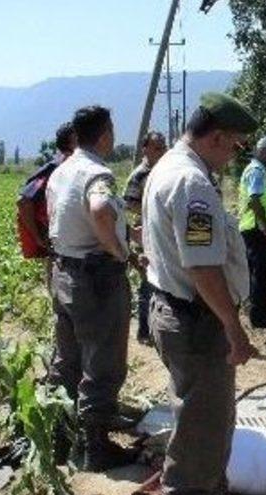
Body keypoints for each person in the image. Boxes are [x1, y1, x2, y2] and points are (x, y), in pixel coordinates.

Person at [142, 93, 257, 495]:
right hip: (197, 321)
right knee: (203, 430)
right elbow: (203, 267)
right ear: (217, 137)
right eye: (235, 146)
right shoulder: (192, 184)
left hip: (174, 308)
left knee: (198, 419)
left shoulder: (167, 165)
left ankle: (206, 487)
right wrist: (233, 327)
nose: (233, 156)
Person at [45, 105, 136, 471]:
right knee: (103, 360)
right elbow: (99, 210)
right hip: (96, 277)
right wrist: (119, 251)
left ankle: (60, 436)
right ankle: (96, 447)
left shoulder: (61, 171)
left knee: (67, 358)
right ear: (105, 135)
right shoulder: (98, 173)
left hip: (64, 271)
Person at [123, 131, 168, 343]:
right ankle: (143, 330)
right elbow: (128, 202)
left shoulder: (166, 170)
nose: (162, 151)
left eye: (163, 147)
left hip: (162, 233)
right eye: (157, 147)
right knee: (147, 281)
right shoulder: (139, 174)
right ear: (145, 149)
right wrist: (151, 209)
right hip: (145, 234)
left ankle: (156, 326)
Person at [237, 135, 266, 328]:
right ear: (263, 152)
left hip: (257, 229)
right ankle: (260, 318)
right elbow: (254, 200)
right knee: (260, 274)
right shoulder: (256, 171)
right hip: (257, 229)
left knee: (259, 273)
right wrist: (265, 226)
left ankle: (260, 315)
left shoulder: (260, 170)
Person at [16, 122, 76, 258]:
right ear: (72, 142)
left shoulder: (79, 168)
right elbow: (23, 202)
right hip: (60, 242)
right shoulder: (54, 169)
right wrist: (38, 238)